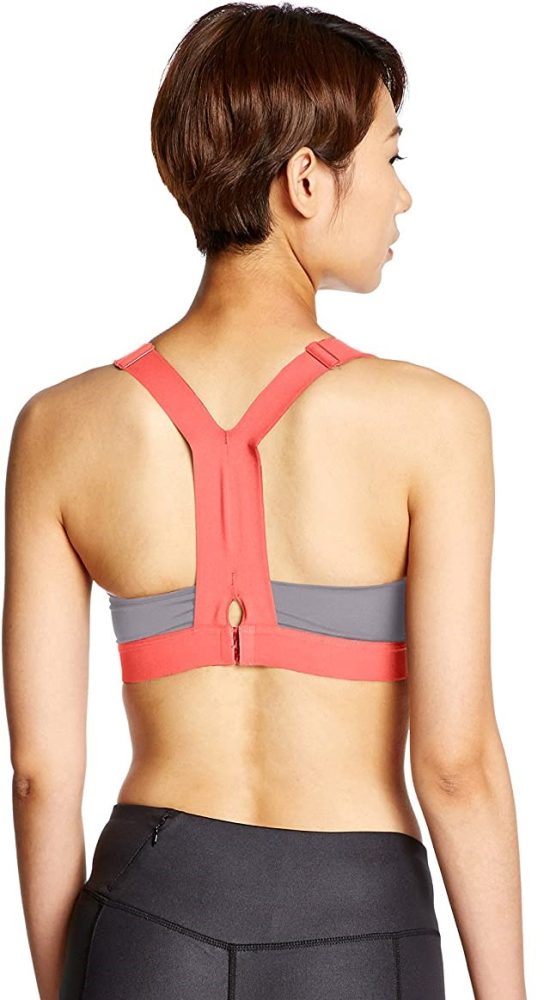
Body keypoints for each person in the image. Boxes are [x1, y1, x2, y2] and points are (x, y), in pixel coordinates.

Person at [3, 3, 527, 998]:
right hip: (357, 927)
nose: (402, 195)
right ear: (306, 180)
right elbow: (456, 764)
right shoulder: (434, 421)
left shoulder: (59, 428)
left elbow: (39, 772)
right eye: (390, 157)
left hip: (146, 918)